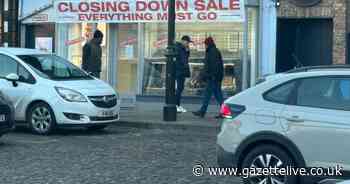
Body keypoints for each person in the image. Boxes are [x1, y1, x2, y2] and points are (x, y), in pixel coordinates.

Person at [193, 37, 224, 118]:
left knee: (215, 95)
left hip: (213, 78)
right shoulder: (213, 51)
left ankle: (203, 111)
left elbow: (212, 66)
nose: (204, 46)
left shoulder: (212, 52)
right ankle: (203, 111)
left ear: (207, 44)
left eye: (205, 44)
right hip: (214, 77)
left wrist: (209, 76)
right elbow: (210, 66)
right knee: (214, 95)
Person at [174, 35, 192, 113]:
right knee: (179, 88)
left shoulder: (182, 48)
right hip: (180, 71)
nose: (188, 44)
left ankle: (177, 105)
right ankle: (176, 105)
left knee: (180, 89)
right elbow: (184, 60)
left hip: (181, 71)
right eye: (187, 42)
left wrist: (187, 51)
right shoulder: (180, 48)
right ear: (183, 41)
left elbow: (185, 58)